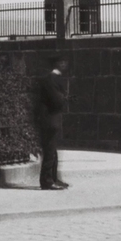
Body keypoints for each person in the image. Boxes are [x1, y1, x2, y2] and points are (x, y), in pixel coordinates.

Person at [32, 55, 69, 190]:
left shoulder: (53, 78)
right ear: (57, 63)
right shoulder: (51, 79)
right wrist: (65, 99)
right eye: (62, 61)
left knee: (52, 149)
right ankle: (47, 181)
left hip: (50, 119)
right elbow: (57, 100)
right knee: (49, 150)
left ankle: (53, 178)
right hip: (49, 120)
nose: (64, 64)